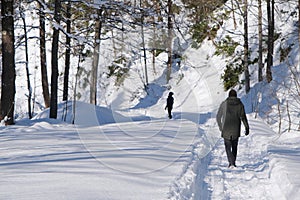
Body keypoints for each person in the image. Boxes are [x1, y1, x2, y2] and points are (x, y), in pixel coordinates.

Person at [216, 89, 249, 168]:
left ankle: (231, 162)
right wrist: (247, 127)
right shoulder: (240, 104)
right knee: (234, 146)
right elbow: (243, 117)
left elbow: (218, 116)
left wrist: (221, 127)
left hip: (226, 128)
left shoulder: (224, 104)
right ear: (236, 96)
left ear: (229, 96)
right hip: (236, 128)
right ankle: (233, 162)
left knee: (227, 147)